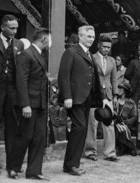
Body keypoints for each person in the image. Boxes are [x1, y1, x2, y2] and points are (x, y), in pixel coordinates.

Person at [58, 25, 109, 176]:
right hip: (74, 99)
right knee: (79, 128)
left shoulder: (90, 54)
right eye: (88, 37)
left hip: (87, 99)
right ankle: (71, 164)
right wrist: (67, 96)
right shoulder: (71, 52)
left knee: (81, 130)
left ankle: (72, 164)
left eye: (93, 37)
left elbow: (95, 79)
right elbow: (63, 76)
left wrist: (102, 99)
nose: (91, 40)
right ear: (80, 36)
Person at [7, 27, 51, 180]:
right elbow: (21, 81)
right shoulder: (26, 55)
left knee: (39, 137)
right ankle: (13, 167)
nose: (50, 42)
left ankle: (34, 171)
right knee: (24, 136)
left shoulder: (40, 54)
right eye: (49, 39)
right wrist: (25, 104)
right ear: (44, 39)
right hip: (29, 103)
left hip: (40, 104)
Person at [0, 14, 24, 171]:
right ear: (2, 27)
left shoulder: (19, 44)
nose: (14, 31)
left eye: (16, 28)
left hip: (12, 90)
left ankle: (12, 164)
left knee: (12, 126)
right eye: (11, 28)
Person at [84, 33, 118, 162]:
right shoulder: (91, 58)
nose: (106, 49)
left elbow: (114, 79)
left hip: (108, 95)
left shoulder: (112, 60)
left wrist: (115, 95)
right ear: (98, 45)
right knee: (92, 123)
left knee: (109, 123)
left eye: (108, 47)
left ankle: (110, 153)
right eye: (104, 46)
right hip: (95, 95)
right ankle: (90, 151)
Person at [114, 82, 138, 156]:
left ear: (125, 91)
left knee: (123, 129)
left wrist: (125, 123)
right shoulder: (115, 101)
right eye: (119, 88)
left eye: (121, 88)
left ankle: (122, 148)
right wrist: (117, 123)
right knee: (118, 128)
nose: (119, 90)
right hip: (116, 123)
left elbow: (134, 116)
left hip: (127, 125)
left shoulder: (131, 102)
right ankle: (130, 147)